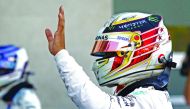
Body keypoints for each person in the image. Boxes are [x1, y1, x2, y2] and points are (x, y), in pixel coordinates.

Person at [45, 6, 177, 109]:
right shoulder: (144, 95)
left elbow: (96, 104)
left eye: (114, 50)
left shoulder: (151, 100)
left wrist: (61, 54)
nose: (107, 55)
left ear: (141, 50)